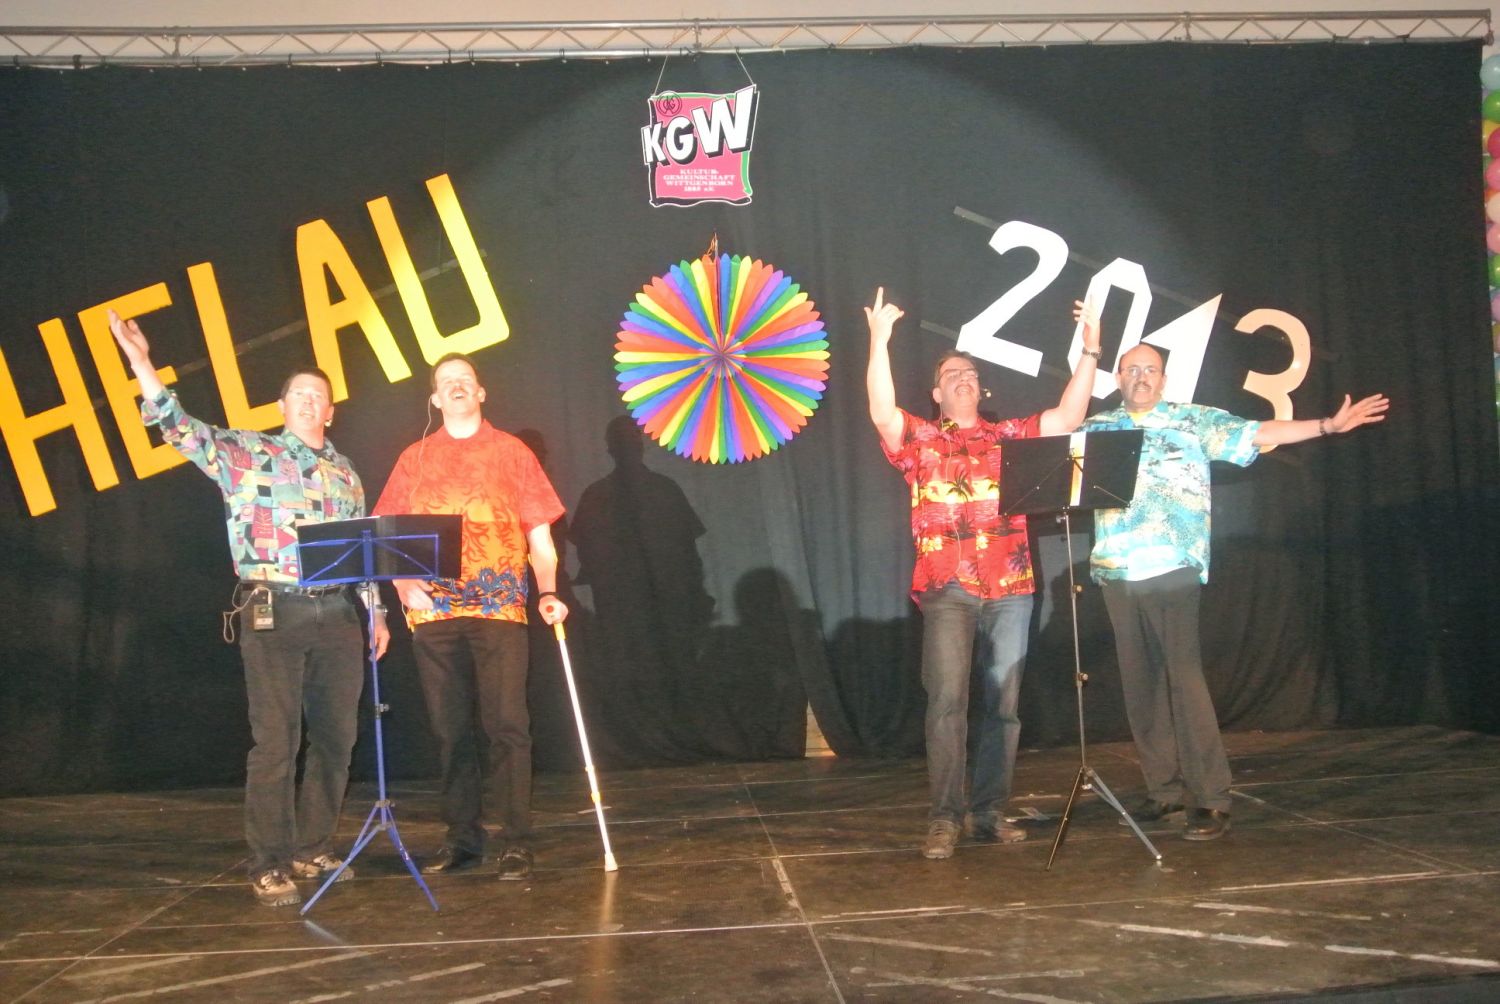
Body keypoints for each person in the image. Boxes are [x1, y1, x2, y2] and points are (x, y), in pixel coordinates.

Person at [108, 310, 389, 908]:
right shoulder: (247, 453)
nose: (310, 401)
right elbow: (178, 427)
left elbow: (361, 549)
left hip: (338, 614)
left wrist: (377, 611)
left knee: (337, 739)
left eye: (319, 396)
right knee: (277, 742)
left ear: (331, 411)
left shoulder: (346, 473)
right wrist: (142, 363)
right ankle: (269, 861)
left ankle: (313, 846)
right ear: (282, 406)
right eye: (300, 394)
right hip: (274, 611)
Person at [1084, 343, 1388, 840]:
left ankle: (1210, 798)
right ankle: (1163, 791)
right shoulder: (1097, 428)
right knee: (1141, 686)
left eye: (1150, 369)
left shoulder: (1192, 421)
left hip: (1174, 566)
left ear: (1164, 379)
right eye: (1132, 369)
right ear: (1117, 377)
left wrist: (1326, 426)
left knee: (1183, 680)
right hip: (1116, 570)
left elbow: (1259, 431)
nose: (1141, 376)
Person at [866, 287, 1103, 859]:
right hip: (946, 587)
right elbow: (881, 411)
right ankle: (944, 817)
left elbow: (1069, 416)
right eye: (952, 374)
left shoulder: (1008, 437)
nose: (964, 379)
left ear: (981, 388)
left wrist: (1091, 350)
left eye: (970, 373)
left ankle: (988, 813)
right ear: (937, 392)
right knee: (947, 704)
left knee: (1003, 707)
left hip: (1010, 587)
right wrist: (878, 340)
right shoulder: (920, 439)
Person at [373, 352, 567, 881]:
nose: (457, 386)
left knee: (508, 726)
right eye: (446, 382)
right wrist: (403, 584)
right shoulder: (414, 458)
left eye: (465, 379)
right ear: (435, 399)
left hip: (500, 607)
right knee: (449, 730)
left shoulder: (512, 452)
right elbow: (384, 531)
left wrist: (548, 590)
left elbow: (540, 537)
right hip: (433, 613)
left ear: (481, 393)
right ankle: (462, 839)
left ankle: (516, 841)